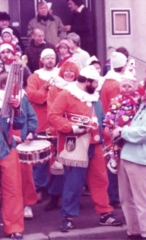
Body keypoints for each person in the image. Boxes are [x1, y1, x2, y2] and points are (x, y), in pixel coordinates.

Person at [48, 65, 122, 232]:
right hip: (75, 144)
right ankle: (67, 216)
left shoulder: (94, 96)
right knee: (73, 183)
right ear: (87, 81)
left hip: (95, 145)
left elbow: (101, 120)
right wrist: (71, 128)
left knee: (100, 181)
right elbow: (53, 116)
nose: (98, 86)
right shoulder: (66, 94)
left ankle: (104, 213)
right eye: (95, 82)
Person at [111, 75, 146, 239]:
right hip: (127, 156)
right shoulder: (144, 105)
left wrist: (122, 131)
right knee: (126, 199)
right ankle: (134, 232)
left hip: (140, 159)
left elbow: (144, 133)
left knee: (141, 198)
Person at [44, 60, 79, 211]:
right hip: (58, 130)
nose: (69, 74)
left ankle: (71, 199)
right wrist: (57, 127)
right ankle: (54, 197)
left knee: (72, 167)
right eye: (66, 71)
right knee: (57, 166)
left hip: (75, 132)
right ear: (62, 72)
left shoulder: (79, 90)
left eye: (72, 71)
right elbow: (51, 110)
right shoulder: (54, 89)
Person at [27, 48, 59, 200]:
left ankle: (55, 189)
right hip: (40, 120)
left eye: (52, 58)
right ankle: (40, 187)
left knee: (56, 156)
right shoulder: (35, 76)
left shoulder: (61, 74)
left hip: (57, 121)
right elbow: (32, 95)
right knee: (40, 157)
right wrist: (50, 95)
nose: (50, 60)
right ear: (42, 60)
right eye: (47, 58)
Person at [0, 72, 26, 239]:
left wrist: (17, 109)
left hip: (7, 149)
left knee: (12, 190)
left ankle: (14, 227)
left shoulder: (7, 97)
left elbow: (18, 124)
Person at [100, 51, 127, 207]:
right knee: (114, 161)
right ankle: (114, 197)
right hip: (114, 127)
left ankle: (112, 195)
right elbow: (119, 110)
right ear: (123, 67)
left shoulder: (106, 82)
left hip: (106, 125)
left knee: (110, 160)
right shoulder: (117, 85)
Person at [104, 72, 141, 174]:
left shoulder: (137, 98)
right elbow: (111, 112)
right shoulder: (116, 99)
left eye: (129, 87)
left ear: (133, 88)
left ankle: (131, 161)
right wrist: (108, 124)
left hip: (131, 125)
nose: (126, 89)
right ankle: (113, 159)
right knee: (116, 144)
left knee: (129, 144)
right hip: (118, 125)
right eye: (124, 86)